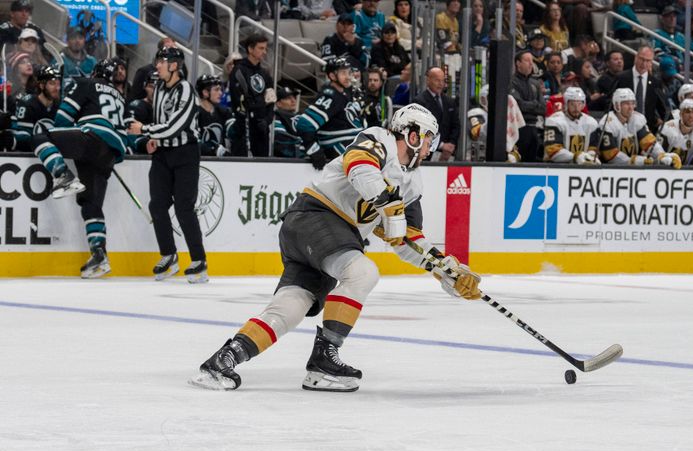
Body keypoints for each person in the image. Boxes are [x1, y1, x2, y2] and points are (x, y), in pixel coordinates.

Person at [190, 103, 481, 392]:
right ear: (413, 135)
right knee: (362, 272)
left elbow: (406, 238)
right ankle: (323, 359)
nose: (431, 146)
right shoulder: (380, 139)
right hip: (317, 218)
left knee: (288, 309)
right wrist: (387, 203)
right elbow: (359, 165)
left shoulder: (412, 185)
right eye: (429, 137)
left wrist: (443, 267)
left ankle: (224, 360)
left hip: (321, 239)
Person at [31, 59, 127, 278]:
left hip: (91, 140)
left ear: (95, 72)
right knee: (90, 204)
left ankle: (62, 175)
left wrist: (72, 132)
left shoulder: (86, 83)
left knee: (40, 137)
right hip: (111, 153)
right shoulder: (120, 96)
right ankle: (99, 256)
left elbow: (62, 119)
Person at [127, 47, 208, 284]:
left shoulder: (187, 91)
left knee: (184, 207)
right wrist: (154, 138)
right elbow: (161, 122)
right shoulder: (160, 88)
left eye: (161, 61)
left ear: (174, 65)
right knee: (157, 205)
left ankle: (199, 260)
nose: (157, 66)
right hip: (163, 153)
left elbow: (176, 126)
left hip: (185, 153)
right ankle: (169, 255)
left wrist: (144, 129)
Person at [294, 56, 365, 169]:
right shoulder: (330, 96)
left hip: (352, 144)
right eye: (343, 73)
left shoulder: (346, 93)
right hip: (339, 147)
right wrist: (314, 150)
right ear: (332, 76)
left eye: (349, 72)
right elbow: (304, 124)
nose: (348, 77)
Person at [598, 88, 680, 167]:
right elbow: (610, 155)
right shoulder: (607, 123)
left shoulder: (637, 119)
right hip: (610, 171)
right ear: (617, 105)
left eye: (632, 103)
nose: (631, 107)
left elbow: (649, 143)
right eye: (626, 104)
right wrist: (634, 161)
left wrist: (662, 155)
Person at [229, 32, 275, 157]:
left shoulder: (265, 74)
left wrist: (267, 120)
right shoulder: (238, 71)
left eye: (265, 48)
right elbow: (237, 100)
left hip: (261, 128)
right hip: (244, 127)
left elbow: (271, 101)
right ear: (250, 49)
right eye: (261, 48)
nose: (264, 52)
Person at [4, 64, 59, 152]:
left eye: (58, 84)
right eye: (52, 83)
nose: (57, 88)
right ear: (42, 86)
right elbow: (23, 137)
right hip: (30, 155)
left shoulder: (61, 105)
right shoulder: (27, 103)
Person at [616, 46, 669, 133]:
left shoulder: (656, 83)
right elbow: (610, 103)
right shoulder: (622, 78)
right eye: (642, 59)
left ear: (651, 62)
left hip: (647, 129)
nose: (644, 64)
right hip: (623, 128)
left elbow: (664, 109)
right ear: (636, 58)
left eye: (648, 61)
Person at [412, 66, 459, 161]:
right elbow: (420, 129)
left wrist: (451, 145)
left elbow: (456, 125)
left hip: (448, 154)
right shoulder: (419, 101)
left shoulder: (449, 101)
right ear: (428, 80)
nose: (440, 84)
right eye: (437, 80)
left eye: (443, 80)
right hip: (426, 154)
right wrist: (441, 145)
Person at [543, 86, 600, 165]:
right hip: (555, 167)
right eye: (572, 104)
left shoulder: (591, 122)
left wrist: (590, 156)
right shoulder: (554, 121)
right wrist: (575, 157)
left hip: (582, 167)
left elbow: (593, 147)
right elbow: (553, 151)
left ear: (583, 104)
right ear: (566, 104)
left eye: (579, 104)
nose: (576, 108)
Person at [510, 50, 546, 162]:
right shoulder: (511, 81)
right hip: (519, 128)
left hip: (534, 128)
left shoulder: (535, 83)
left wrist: (530, 105)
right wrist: (535, 104)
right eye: (527, 60)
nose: (531, 63)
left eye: (532, 61)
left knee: (532, 162)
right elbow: (518, 106)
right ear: (518, 63)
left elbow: (543, 108)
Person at [196, 74, 234, 157]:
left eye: (220, 89)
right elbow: (194, 142)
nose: (220, 93)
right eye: (216, 90)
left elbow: (232, 132)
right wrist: (214, 150)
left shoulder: (224, 112)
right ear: (205, 92)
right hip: (199, 162)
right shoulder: (194, 113)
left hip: (219, 163)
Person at [129, 37, 176, 102]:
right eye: (169, 49)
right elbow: (134, 98)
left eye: (174, 49)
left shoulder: (177, 73)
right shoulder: (143, 72)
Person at [126, 71, 158, 154]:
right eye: (151, 87)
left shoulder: (168, 109)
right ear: (145, 87)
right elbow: (131, 133)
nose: (154, 91)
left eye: (158, 87)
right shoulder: (138, 106)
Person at [273, 85, 305, 158]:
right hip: (290, 160)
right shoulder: (275, 116)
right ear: (278, 103)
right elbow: (281, 138)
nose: (293, 100)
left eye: (294, 97)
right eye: (288, 98)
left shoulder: (302, 115)